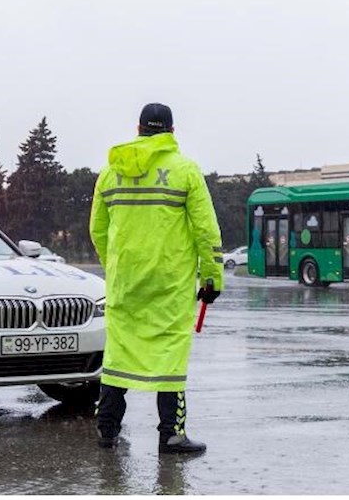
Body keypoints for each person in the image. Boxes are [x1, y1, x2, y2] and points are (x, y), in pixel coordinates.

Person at [89, 102, 224, 454]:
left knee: (118, 356)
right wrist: (212, 279)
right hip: (169, 284)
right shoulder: (185, 171)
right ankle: (171, 434)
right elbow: (206, 231)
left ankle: (106, 430)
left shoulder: (110, 172)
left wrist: (117, 266)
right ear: (171, 132)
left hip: (125, 283)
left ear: (138, 129)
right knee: (170, 356)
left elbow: (97, 230)